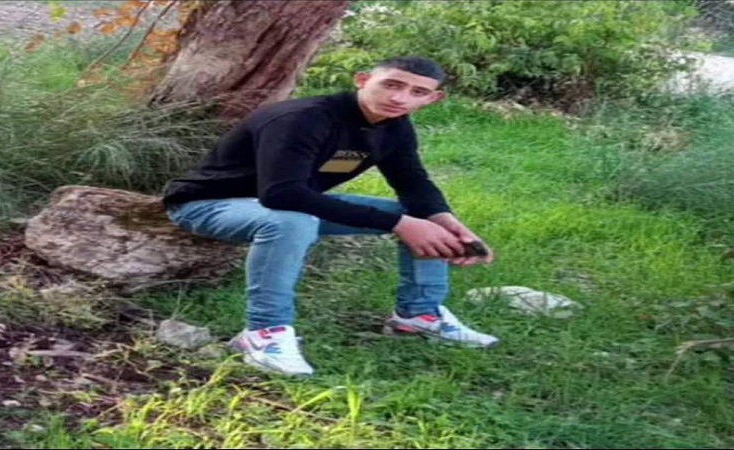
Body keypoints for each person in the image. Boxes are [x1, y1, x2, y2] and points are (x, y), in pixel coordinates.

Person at [163, 56, 499, 376]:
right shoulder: (304, 118)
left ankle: (419, 315)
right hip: (208, 204)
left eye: (417, 92)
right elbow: (280, 194)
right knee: (292, 221)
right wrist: (398, 224)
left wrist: (446, 222)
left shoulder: (394, 126)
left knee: (421, 218)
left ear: (433, 98)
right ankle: (264, 333)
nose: (400, 98)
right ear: (363, 80)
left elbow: (412, 182)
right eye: (391, 85)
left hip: (287, 204)